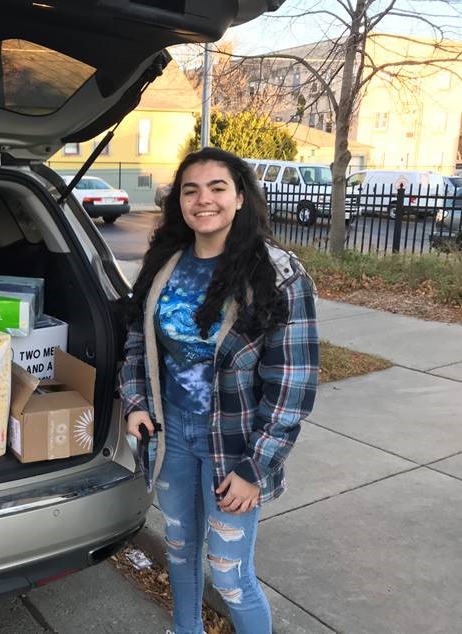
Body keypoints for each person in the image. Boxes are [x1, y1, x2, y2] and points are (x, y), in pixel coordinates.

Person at [119, 147, 319, 634]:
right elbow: (137, 340)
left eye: (217, 188)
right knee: (180, 553)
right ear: (179, 202)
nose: (203, 199)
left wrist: (255, 468)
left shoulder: (277, 274)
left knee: (229, 575)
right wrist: (135, 402)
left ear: (240, 197)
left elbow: (292, 384)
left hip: (234, 446)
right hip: (171, 435)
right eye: (191, 190)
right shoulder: (165, 263)